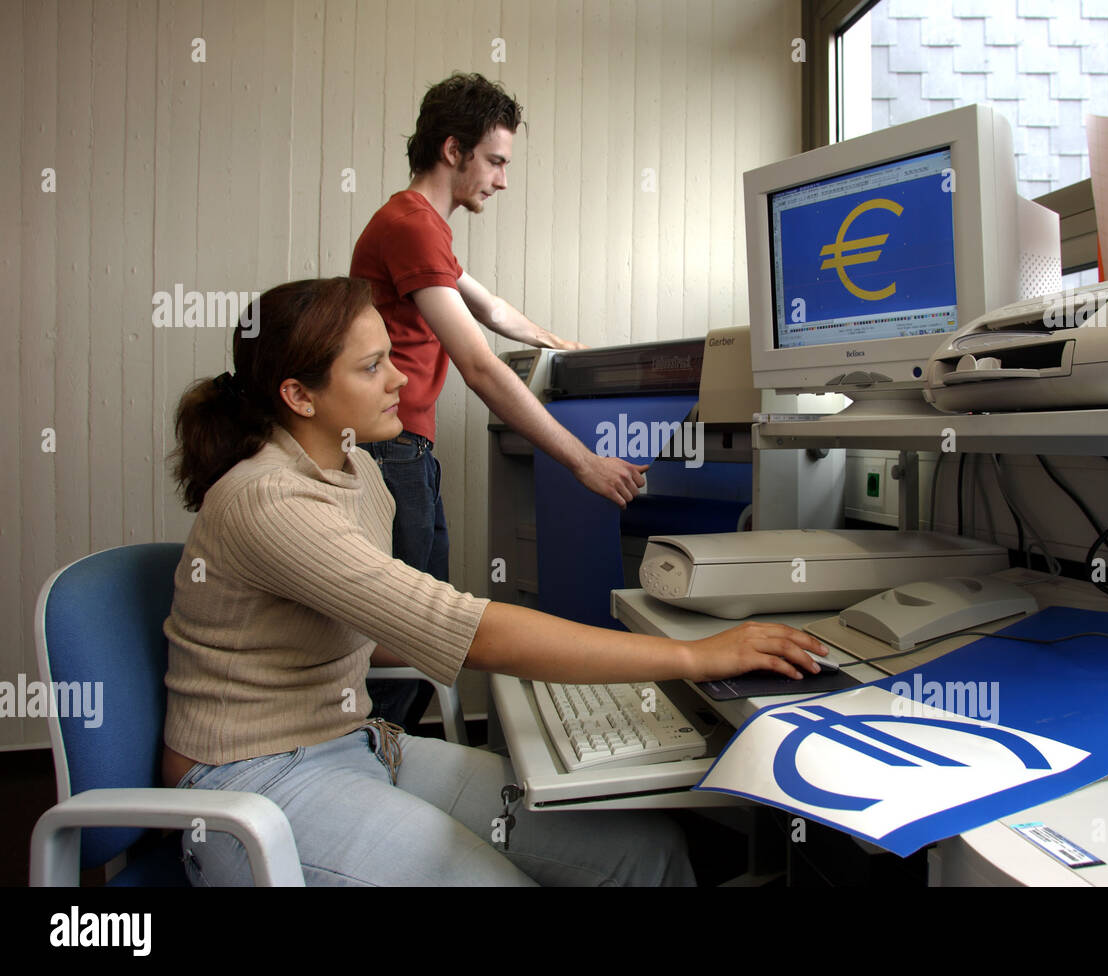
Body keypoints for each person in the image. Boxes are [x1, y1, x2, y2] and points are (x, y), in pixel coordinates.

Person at [162, 277, 830, 886]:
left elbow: (373, 629)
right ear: (299, 395)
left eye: (392, 355)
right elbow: (449, 622)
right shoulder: (266, 500)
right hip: (255, 783)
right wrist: (692, 656)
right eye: (372, 368)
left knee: (647, 853)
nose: (400, 380)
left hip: (355, 743)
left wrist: (543, 671)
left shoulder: (357, 471)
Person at [350, 72, 641, 727]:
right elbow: (479, 366)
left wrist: (561, 347)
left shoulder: (420, 226)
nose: (502, 180)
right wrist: (583, 462)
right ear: (454, 150)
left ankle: (379, 760)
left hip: (407, 450)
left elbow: (493, 311)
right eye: (496, 161)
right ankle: (362, 764)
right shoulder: (410, 226)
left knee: (424, 632)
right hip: (390, 452)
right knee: (412, 636)